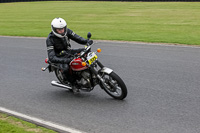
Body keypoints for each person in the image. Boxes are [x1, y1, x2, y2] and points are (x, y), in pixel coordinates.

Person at [46, 17, 93, 85]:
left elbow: (77, 38)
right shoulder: (50, 39)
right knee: (65, 68)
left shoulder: (67, 31)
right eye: (59, 30)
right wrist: (67, 60)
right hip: (59, 56)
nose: (62, 31)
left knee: (86, 51)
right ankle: (73, 84)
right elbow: (51, 57)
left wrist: (86, 41)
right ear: (54, 29)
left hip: (68, 51)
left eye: (63, 28)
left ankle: (89, 72)